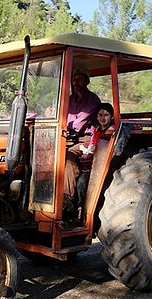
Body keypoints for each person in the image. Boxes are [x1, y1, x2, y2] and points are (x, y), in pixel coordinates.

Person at [63, 69, 101, 216]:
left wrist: (66, 126)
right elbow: (62, 116)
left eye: (79, 80)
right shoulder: (69, 99)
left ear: (87, 82)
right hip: (68, 137)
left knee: (68, 155)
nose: (76, 83)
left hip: (85, 139)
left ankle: (66, 200)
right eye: (74, 80)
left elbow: (80, 122)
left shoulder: (93, 100)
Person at [75, 103, 114, 218]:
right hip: (94, 162)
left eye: (106, 115)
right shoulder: (96, 131)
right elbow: (92, 146)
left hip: (106, 164)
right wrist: (86, 150)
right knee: (81, 182)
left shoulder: (112, 131)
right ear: (96, 117)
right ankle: (79, 208)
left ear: (111, 116)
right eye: (100, 115)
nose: (103, 118)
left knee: (83, 182)